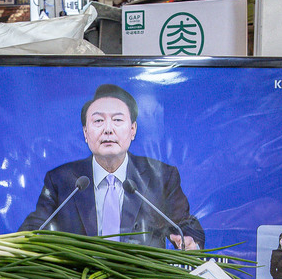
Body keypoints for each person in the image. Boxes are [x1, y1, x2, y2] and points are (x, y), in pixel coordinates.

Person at [18, 84, 205, 250]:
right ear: (85, 133)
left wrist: (189, 239)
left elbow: (186, 224)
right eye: (98, 121)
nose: (108, 129)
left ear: (133, 130)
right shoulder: (61, 180)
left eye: (117, 120)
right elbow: (35, 226)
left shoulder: (162, 176)